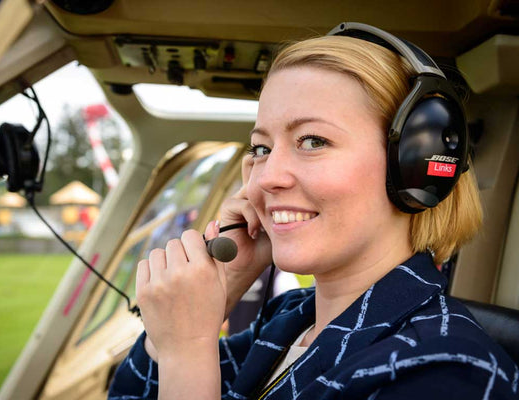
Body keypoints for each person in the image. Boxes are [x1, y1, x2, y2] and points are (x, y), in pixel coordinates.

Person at [108, 23, 518, 399]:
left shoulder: (447, 373)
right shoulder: (290, 320)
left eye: (312, 141)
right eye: (261, 148)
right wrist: (223, 289)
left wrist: (189, 352)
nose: (266, 177)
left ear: (414, 165)